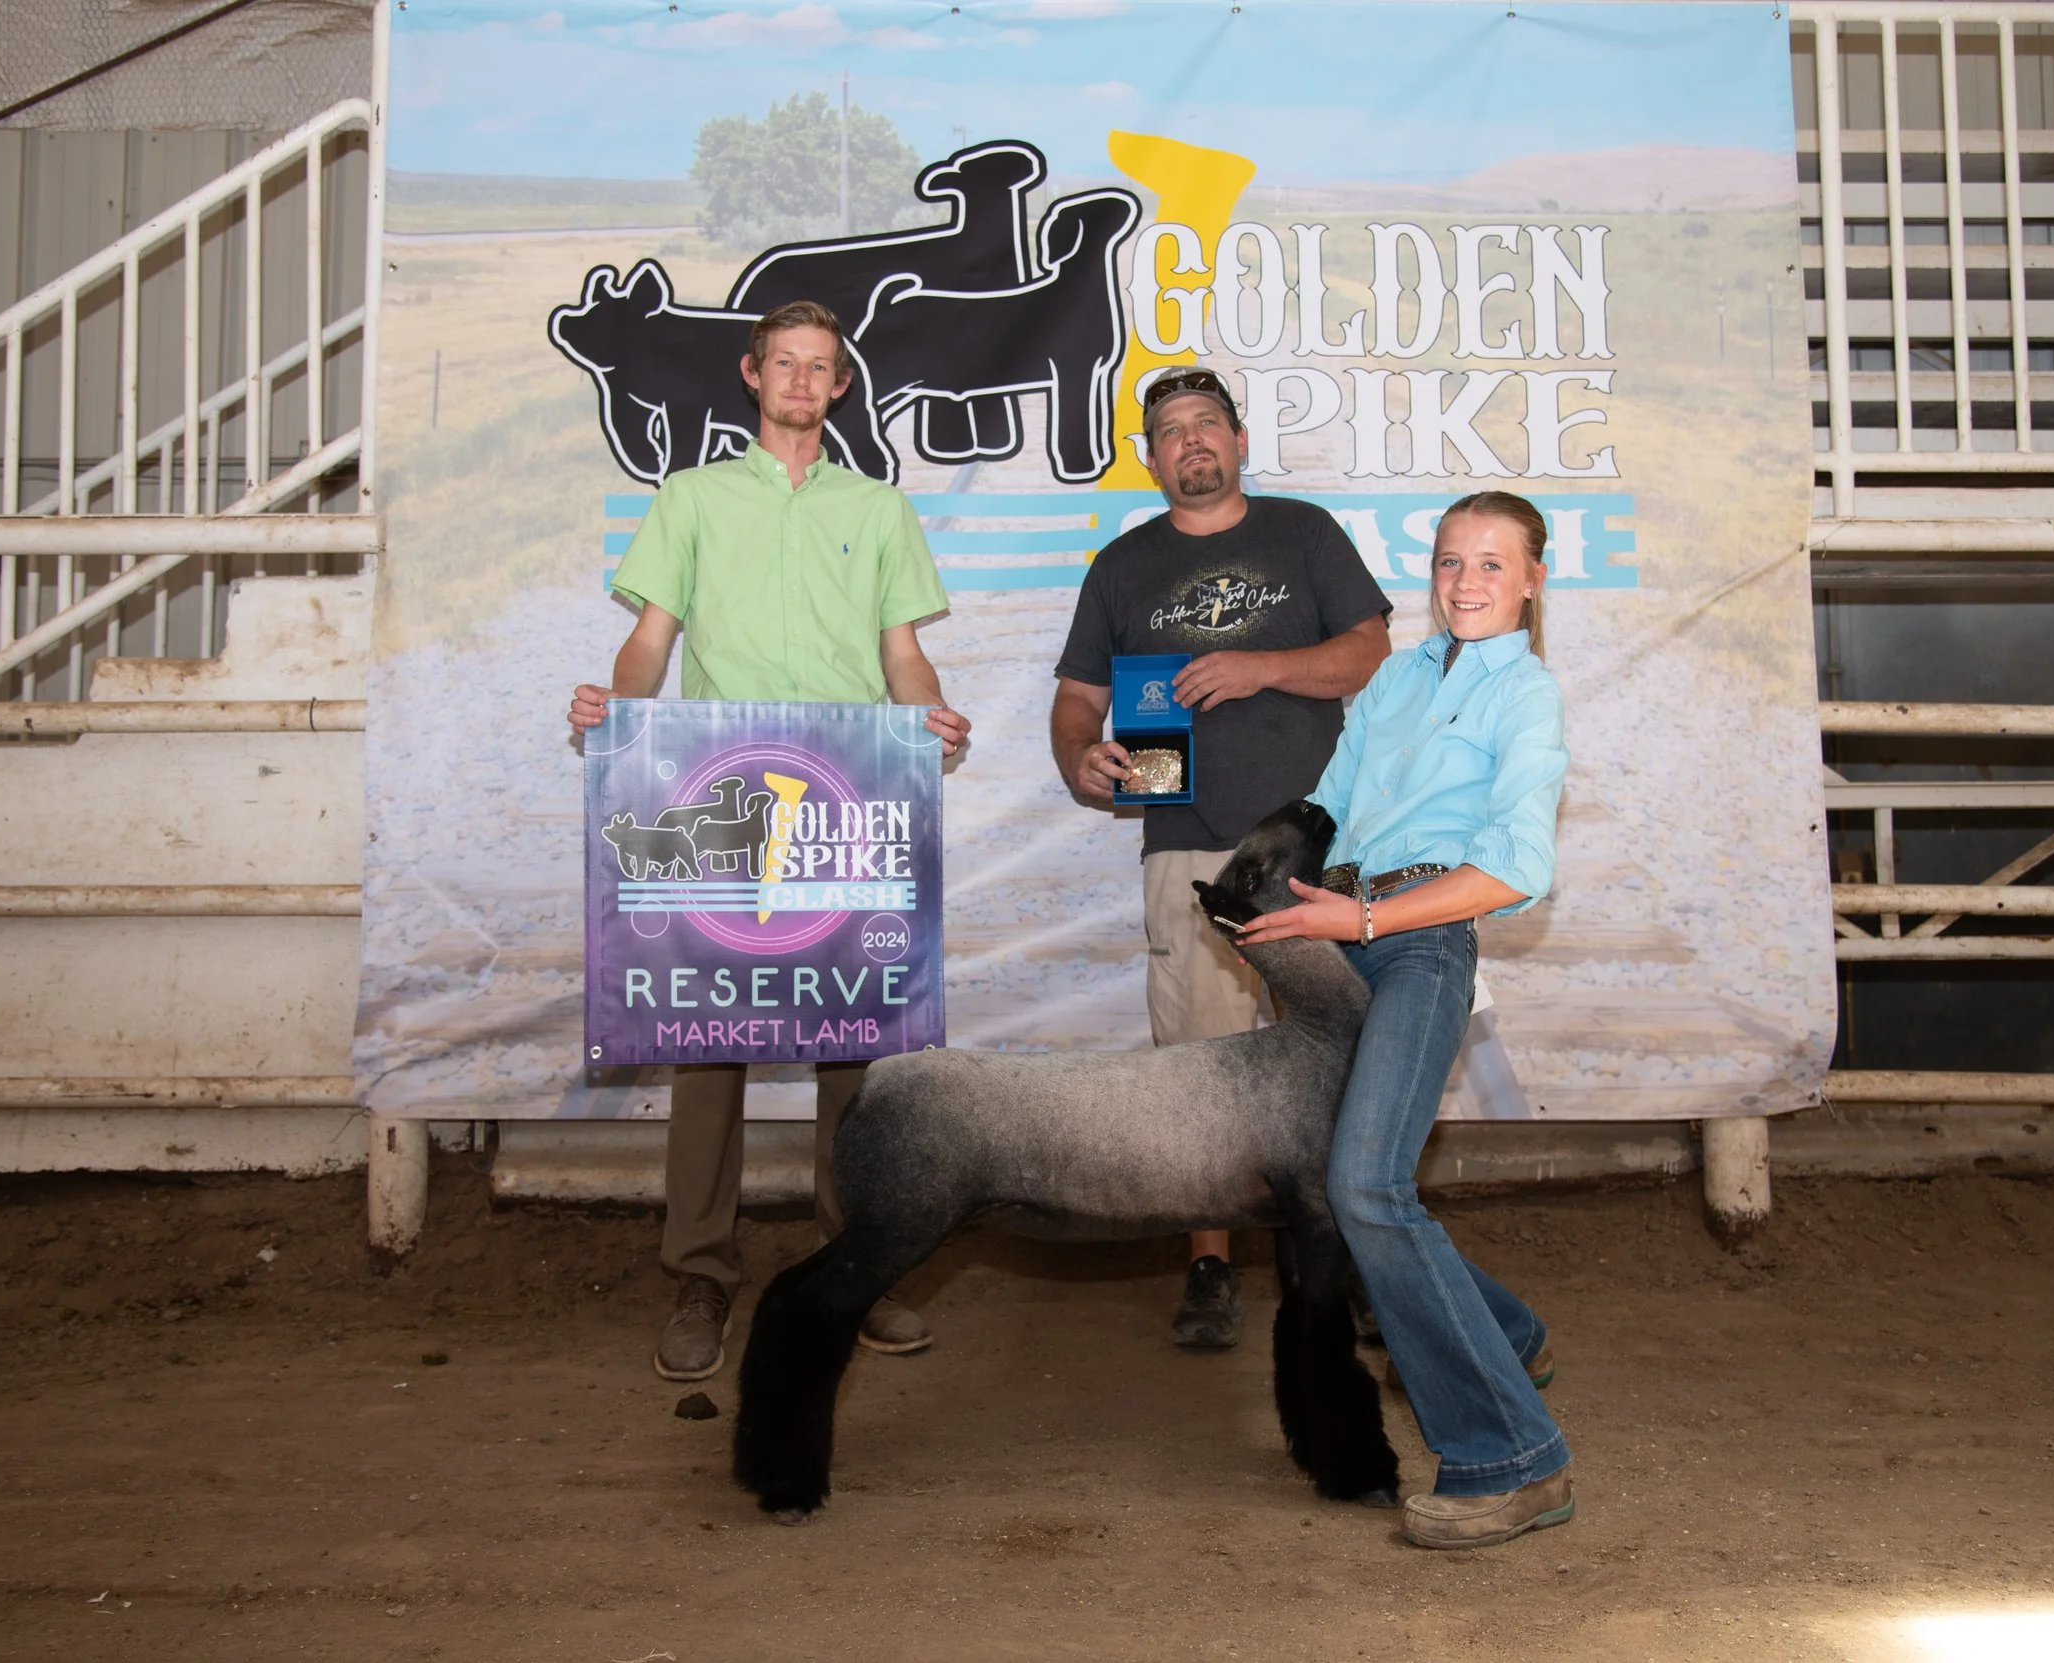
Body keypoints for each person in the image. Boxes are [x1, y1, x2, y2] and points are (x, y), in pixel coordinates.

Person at [567, 300, 971, 1384]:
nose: (801, 380)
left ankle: (854, 1270)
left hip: (845, 796)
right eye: (783, 363)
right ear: (753, 374)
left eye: (820, 367)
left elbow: (902, 654)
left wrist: (930, 719)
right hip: (720, 789)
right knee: (709, 1050)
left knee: (856, 1054)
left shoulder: (877, 507)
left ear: (841, 386)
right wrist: (616, 716)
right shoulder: (690, 498)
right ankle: (701, 1274)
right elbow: (650, 639)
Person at [1237, 490, 1572, 1551]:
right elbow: (1329, 804)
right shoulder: (1396, 676)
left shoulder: (1527, 695)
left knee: (1363, 1185)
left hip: (1422, 936)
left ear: (1530, 579)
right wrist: (1275, 893)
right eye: (1448, 562)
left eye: (1490, 563)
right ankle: (1507, 1333)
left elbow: (1515, 864)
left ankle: (1512, 1460)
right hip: (1343, 928)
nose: (1465, 581)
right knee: (1348, 1180)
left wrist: (1371, 913)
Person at [1050, 366, 1391, 1347]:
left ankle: (1350, 1257)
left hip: (1308, 843)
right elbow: (1078, 698)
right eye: (1170, 430)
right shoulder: (1119, 568)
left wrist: (1261, 667)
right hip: (1185, 844)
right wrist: (1082, 754)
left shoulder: (1303, 533)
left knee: (1338, 1060)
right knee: (1202, 1068)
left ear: (1238, 441)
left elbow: (1368, 651)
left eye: (1207, 424)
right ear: (1149, 458)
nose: (1190, 441)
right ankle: (1208, 1265)